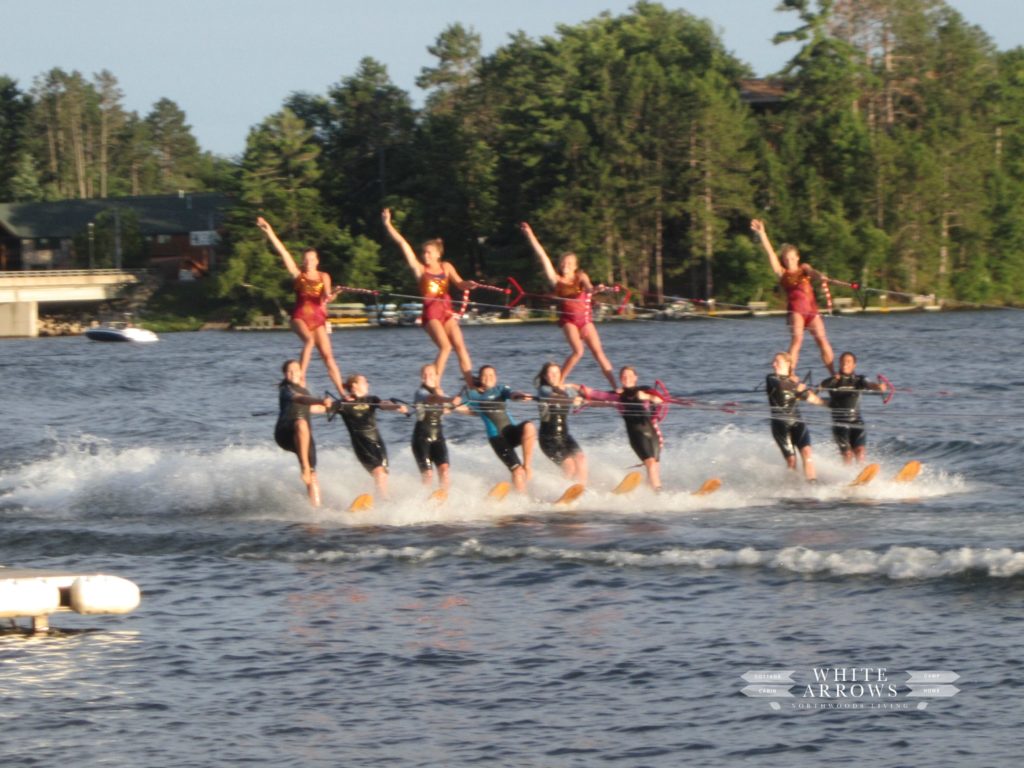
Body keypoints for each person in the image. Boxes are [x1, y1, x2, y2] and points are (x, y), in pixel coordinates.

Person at [381, 208, 479, 387]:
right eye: (424, 252)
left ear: (437, 254)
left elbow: (459, 283)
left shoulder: (446, 267)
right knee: (445, 347)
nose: (425, 255)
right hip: (431, 314)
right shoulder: (421, 271)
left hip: (447, 311)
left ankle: (471, 385)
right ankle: (435, 386)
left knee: (460, 346)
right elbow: (404, 245)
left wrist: (469, 284)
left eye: (428, 252)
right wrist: (388, 225)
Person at [520, 222, 618, 389]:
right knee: (578, 351)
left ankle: (616, 388)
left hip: (585, 320)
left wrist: (596, 289)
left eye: (570, 263)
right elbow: (543, 256)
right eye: (563, 263)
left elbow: (588, 287)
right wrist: (530, 235)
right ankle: (559, 382)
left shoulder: (581, 276)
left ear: (575, 266)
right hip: (569, 321)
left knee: (599, 353)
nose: (566, 266)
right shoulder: (556, 280)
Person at [256, 216, 346, 396]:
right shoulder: (298, 275)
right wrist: (269, 231)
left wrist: (333, 294)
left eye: (311, 260)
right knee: (309, 341)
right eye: (305, 260)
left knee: (328, 357)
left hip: (318, 319)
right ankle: (301, 378)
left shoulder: (324, 276)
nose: (308, 263)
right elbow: (283, 252)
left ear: (317, 261)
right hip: (300, 318)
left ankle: (342, 392)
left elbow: (326, 299)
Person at [751, 219, 836, 376]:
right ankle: (790, 375)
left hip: (812, 311)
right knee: (797, 340)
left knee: (823, 341)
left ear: (797, 258)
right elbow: (770, 253)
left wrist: (822, 277)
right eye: (786, 259)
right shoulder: (782, 273)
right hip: (796, 312)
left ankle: (834, 374)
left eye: (792, 258)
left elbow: (813, 272)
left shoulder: (804, 268)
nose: (789, 261)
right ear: (783, 260)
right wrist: (762, 234)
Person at [580, 365, 665, 491]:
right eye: (624, 376)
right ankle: (658, 493)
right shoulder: (618, 397)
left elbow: (658, 400)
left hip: (652, 434)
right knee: (651, 464)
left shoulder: (644, 392)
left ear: (636, 377)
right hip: (636, 435)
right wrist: (579, 394)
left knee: (654, 467)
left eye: (630, 375)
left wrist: (651, 397)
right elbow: (596, 395)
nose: (627, 378)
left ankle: (651, 491)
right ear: (620, 379)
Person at [457, 365, 537, 494]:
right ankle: (522, 498)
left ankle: (527, 465)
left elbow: (512, 394)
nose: (488, 378)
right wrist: (451, 406)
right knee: (517, 471)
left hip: (511, 432)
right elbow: (458, 405)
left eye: (491, 375)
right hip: (497, 438)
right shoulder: (472, 394)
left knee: (530, 426)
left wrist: (520, 396)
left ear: (495, 378)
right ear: (480, 378)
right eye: (485, 375)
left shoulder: (500, 389)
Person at [332, 373, 408, 499]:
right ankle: (384, 501)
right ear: (354, 385)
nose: (368, 384)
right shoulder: (343, 404)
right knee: (379, 472)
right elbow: (322, 408)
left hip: (377, 442)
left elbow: (384, 404)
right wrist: (317, 404)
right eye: (364, 382)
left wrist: (397, 406)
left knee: (383, 474)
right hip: (361, 444)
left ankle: (382, 498)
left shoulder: (372, 399)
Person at [275, 359, 334, 506]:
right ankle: (304, 467)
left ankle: (316, 508)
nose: (293, 373)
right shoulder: (286, 390)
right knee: (301, 423)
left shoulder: (304, 389)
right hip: (285, 432)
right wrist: (319, 400)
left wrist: (334, 407)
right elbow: (301, 399)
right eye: (289, 371)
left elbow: (313, 408)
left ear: (301, 372)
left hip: (304, 437)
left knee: (313, 476)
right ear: (285, 374)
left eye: (296, 370)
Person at [818, 351, 889, 464]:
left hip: (856, 421)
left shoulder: (859, 380)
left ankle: (860, 474)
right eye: (842, 362)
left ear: (854, 365)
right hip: (839, 423)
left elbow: (870, 384)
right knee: (848, 454)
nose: (845, 364)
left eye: (848, 361)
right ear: (839, 364)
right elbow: (818, 388)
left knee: (860, 451)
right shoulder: (833, 381)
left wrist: (878, 387)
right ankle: (847, 476)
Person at [766, 351, 825, 482]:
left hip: (797, 422)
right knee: (792, 461)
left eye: (777, 362)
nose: (773, 364)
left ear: (787, 364)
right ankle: (792, 488)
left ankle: (812, 485)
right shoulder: (771, 379)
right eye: (773, 362)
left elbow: (812, 399)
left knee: (807, 453)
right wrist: (797, 386)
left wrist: (828, 404)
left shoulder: (795, 383)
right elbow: (782, 385)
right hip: (780, 425)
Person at [535, 362, 587, 485]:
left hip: (565, 436)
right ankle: (562, 492)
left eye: (556, 373)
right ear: (545, 376)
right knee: (569, 466)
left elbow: (584, 394)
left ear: (561, 375)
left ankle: (581, 488)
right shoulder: (543, 390)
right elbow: (554, 398)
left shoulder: (567, 390)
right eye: (550, 373)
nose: (553, 376)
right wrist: (570, 399)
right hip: (548, 439)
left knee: (581, 458)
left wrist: (577, 397)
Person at [411, 363, 457, 492]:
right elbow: (433, 398)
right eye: (424, 374)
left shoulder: (443, 394)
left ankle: (444, 495)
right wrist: (451, 400)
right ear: (421, 377)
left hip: (438, 437)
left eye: (430, 374)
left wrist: (461, 406)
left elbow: (451, 406)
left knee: (444, 469)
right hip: (421, 438)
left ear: (437, 376)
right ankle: (424, 498)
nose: (427, 377)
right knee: (428, 475)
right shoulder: (420, 392)